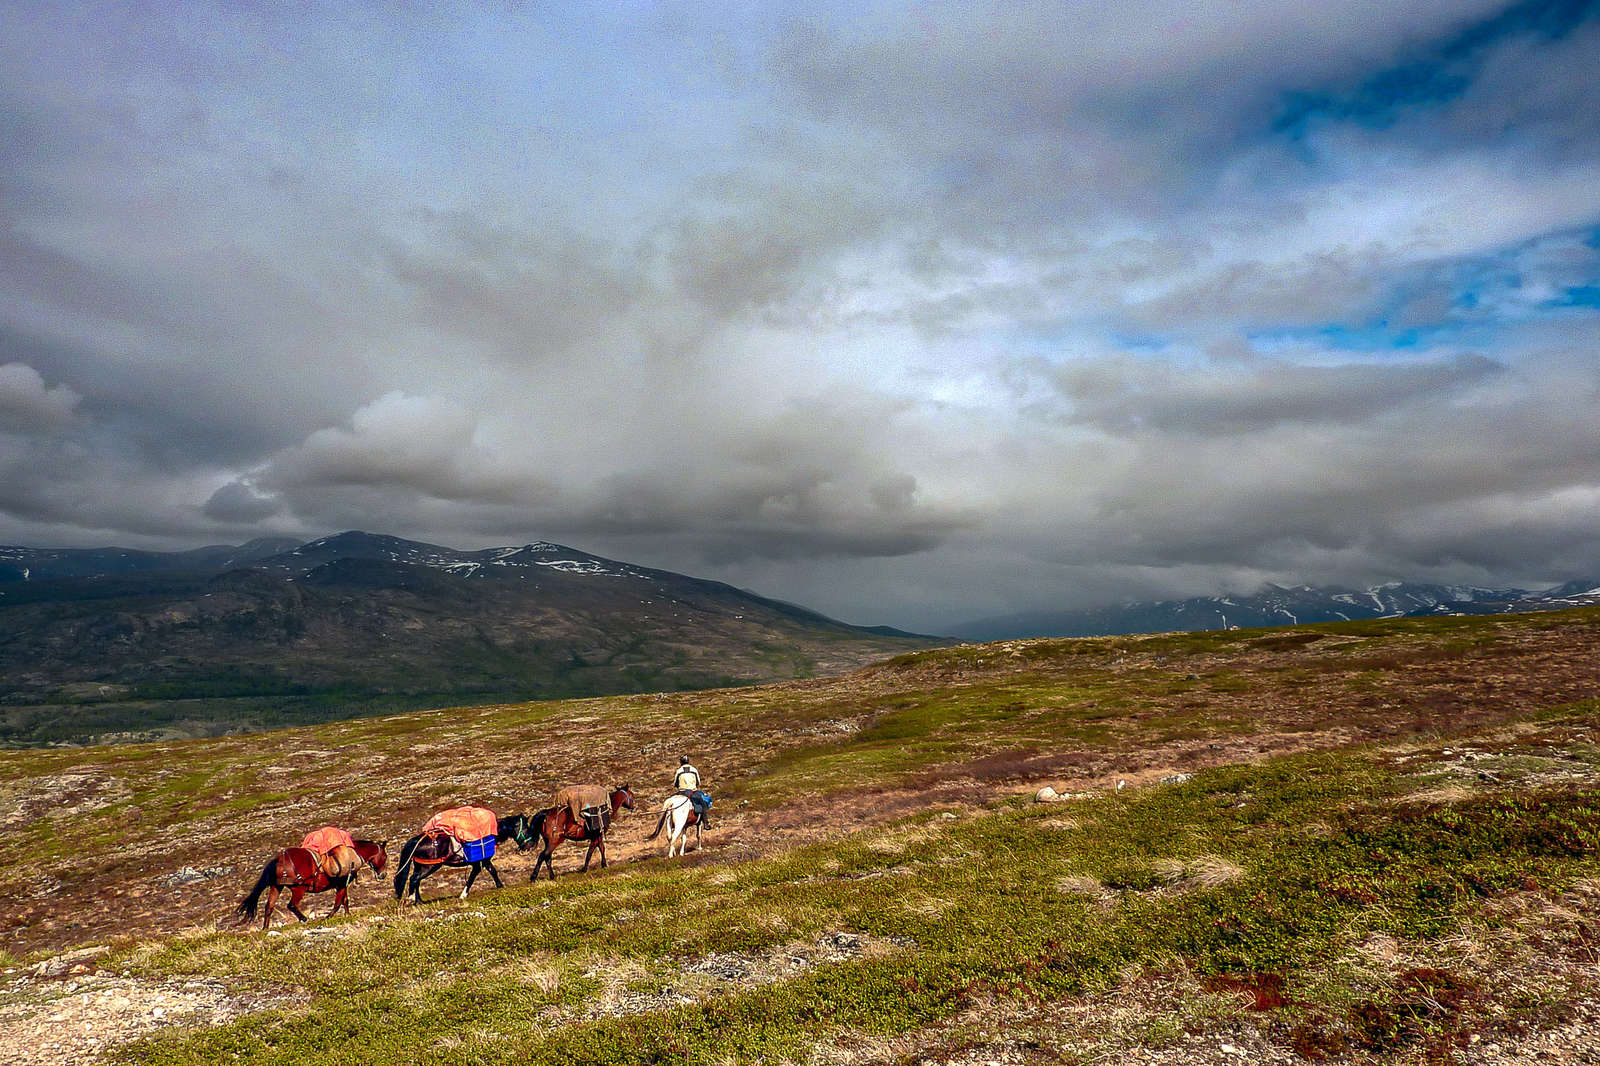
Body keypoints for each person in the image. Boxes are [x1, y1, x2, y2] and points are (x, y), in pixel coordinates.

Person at [673, 756, 711, 829]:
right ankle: (706, 822)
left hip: (682, 792)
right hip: (692, 792)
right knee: (703, 801)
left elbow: (675, 783)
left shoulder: (679, 770)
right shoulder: (694, 769)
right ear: (688, 761)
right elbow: (698, 782)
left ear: (681, 762)